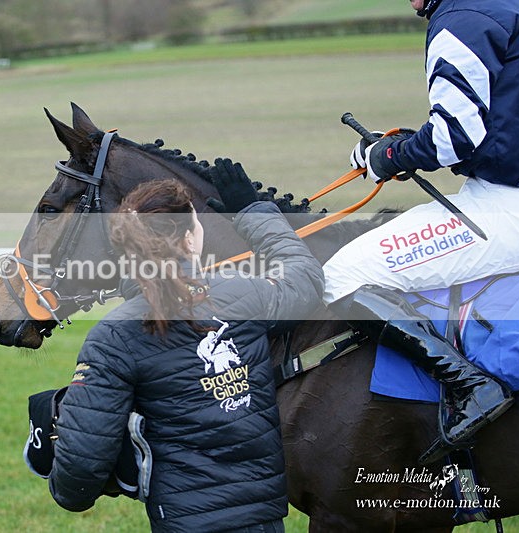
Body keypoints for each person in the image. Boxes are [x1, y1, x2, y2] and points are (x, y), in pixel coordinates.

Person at [46, 160, 324, 532]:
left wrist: (68, 489)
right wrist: (252, 211)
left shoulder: (111, 338)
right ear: (190, 238)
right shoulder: (244, 292)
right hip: (264, 521)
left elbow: (79, 473)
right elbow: (304, 280)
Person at [325, 0, 519, 461]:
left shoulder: (459, 20)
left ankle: (474, 387)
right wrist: (401, 148)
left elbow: (455, 137)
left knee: (344, 274)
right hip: (515, 191)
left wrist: (385, 157)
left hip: (515, 205)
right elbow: (504, 118)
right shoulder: (507, 4)